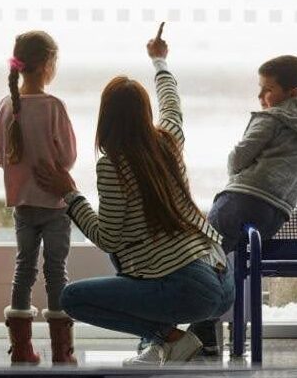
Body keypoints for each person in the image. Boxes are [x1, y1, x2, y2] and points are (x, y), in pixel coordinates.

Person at [34, 24, 234, 366]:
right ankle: (158, 345)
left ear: (106, 118)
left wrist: (71, 195)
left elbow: (108, 237)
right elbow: (171, 103)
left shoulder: (112, 165)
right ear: (144, 112)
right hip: (221, 279)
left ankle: (170, 338)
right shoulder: (169, 140)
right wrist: (159, 61)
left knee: (73, 299)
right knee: (129, 258)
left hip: (188, 289)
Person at [190, 55, 297, 356]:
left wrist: (245, 164)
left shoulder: (270, 118)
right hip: (273, 214)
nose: (260, 96)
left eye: (266, 89)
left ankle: (202, 329)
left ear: (291, 93)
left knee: (201, 248)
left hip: (240, 200)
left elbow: (238, 159)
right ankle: (204, 329)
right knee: (219, 254)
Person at [0, 31, 78, 365]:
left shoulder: (5, 106)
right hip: (55, 207)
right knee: (57, 271)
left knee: (23, 270)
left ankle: (22, 351)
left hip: (23, 206)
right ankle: (62, 351)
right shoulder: (54, 107)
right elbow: (67, 158)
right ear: (46, 65)